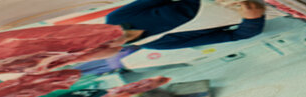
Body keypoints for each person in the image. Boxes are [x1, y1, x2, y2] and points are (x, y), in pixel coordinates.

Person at [106, 0, 266, 50]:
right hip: (260, 8)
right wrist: (253, 19)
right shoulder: (158, 44)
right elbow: (236, 35)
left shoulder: (117, 17)